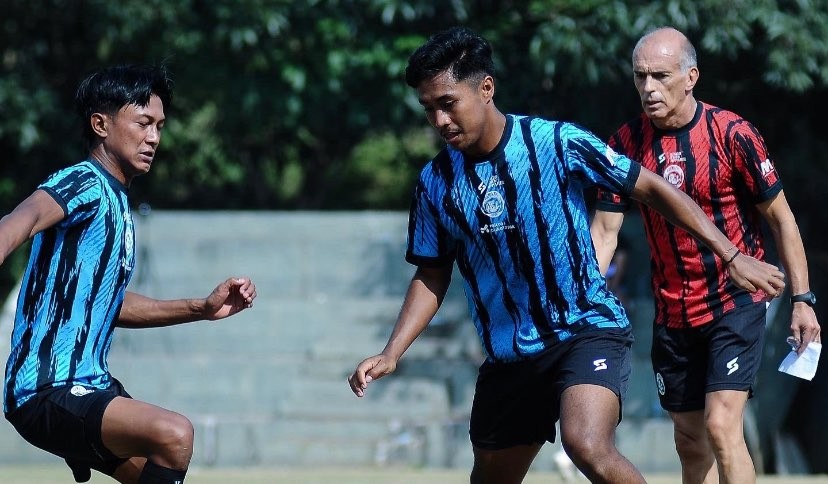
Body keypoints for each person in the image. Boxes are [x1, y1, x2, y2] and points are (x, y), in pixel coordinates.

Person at [347, 26, 784, 484]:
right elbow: (432, 274)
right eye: (428, 109)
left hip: (585, 329)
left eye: (448, 103)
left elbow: (653, 189)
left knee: (587, 444)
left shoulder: (555, 143)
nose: (438, 120)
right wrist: (392, 352)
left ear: (486, 88)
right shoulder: (435, 183)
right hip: (509, 355)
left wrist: (731, 254)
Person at [1, 64, 257, 484]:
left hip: (91, 384)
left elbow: (110, 303)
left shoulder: (119, 204)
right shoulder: (82, 181)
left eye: (159, 126)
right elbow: (21, 219)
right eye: (143, 123)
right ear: (100, 124)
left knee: (157, 471)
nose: (154, 137)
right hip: (45, 388)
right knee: (174, 434)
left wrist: (201, 307)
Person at [590, 27, 821, 484]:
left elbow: (782, 219)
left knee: (721, 424)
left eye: (660, 76)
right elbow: (605, 230)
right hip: (672, 311)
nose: (649, 88)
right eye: (640, 77)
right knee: (691, 442)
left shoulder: (732, 134)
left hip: (735, 301)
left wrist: (803, 299)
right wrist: (585, 298)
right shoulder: (622, 145)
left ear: (690, 76)